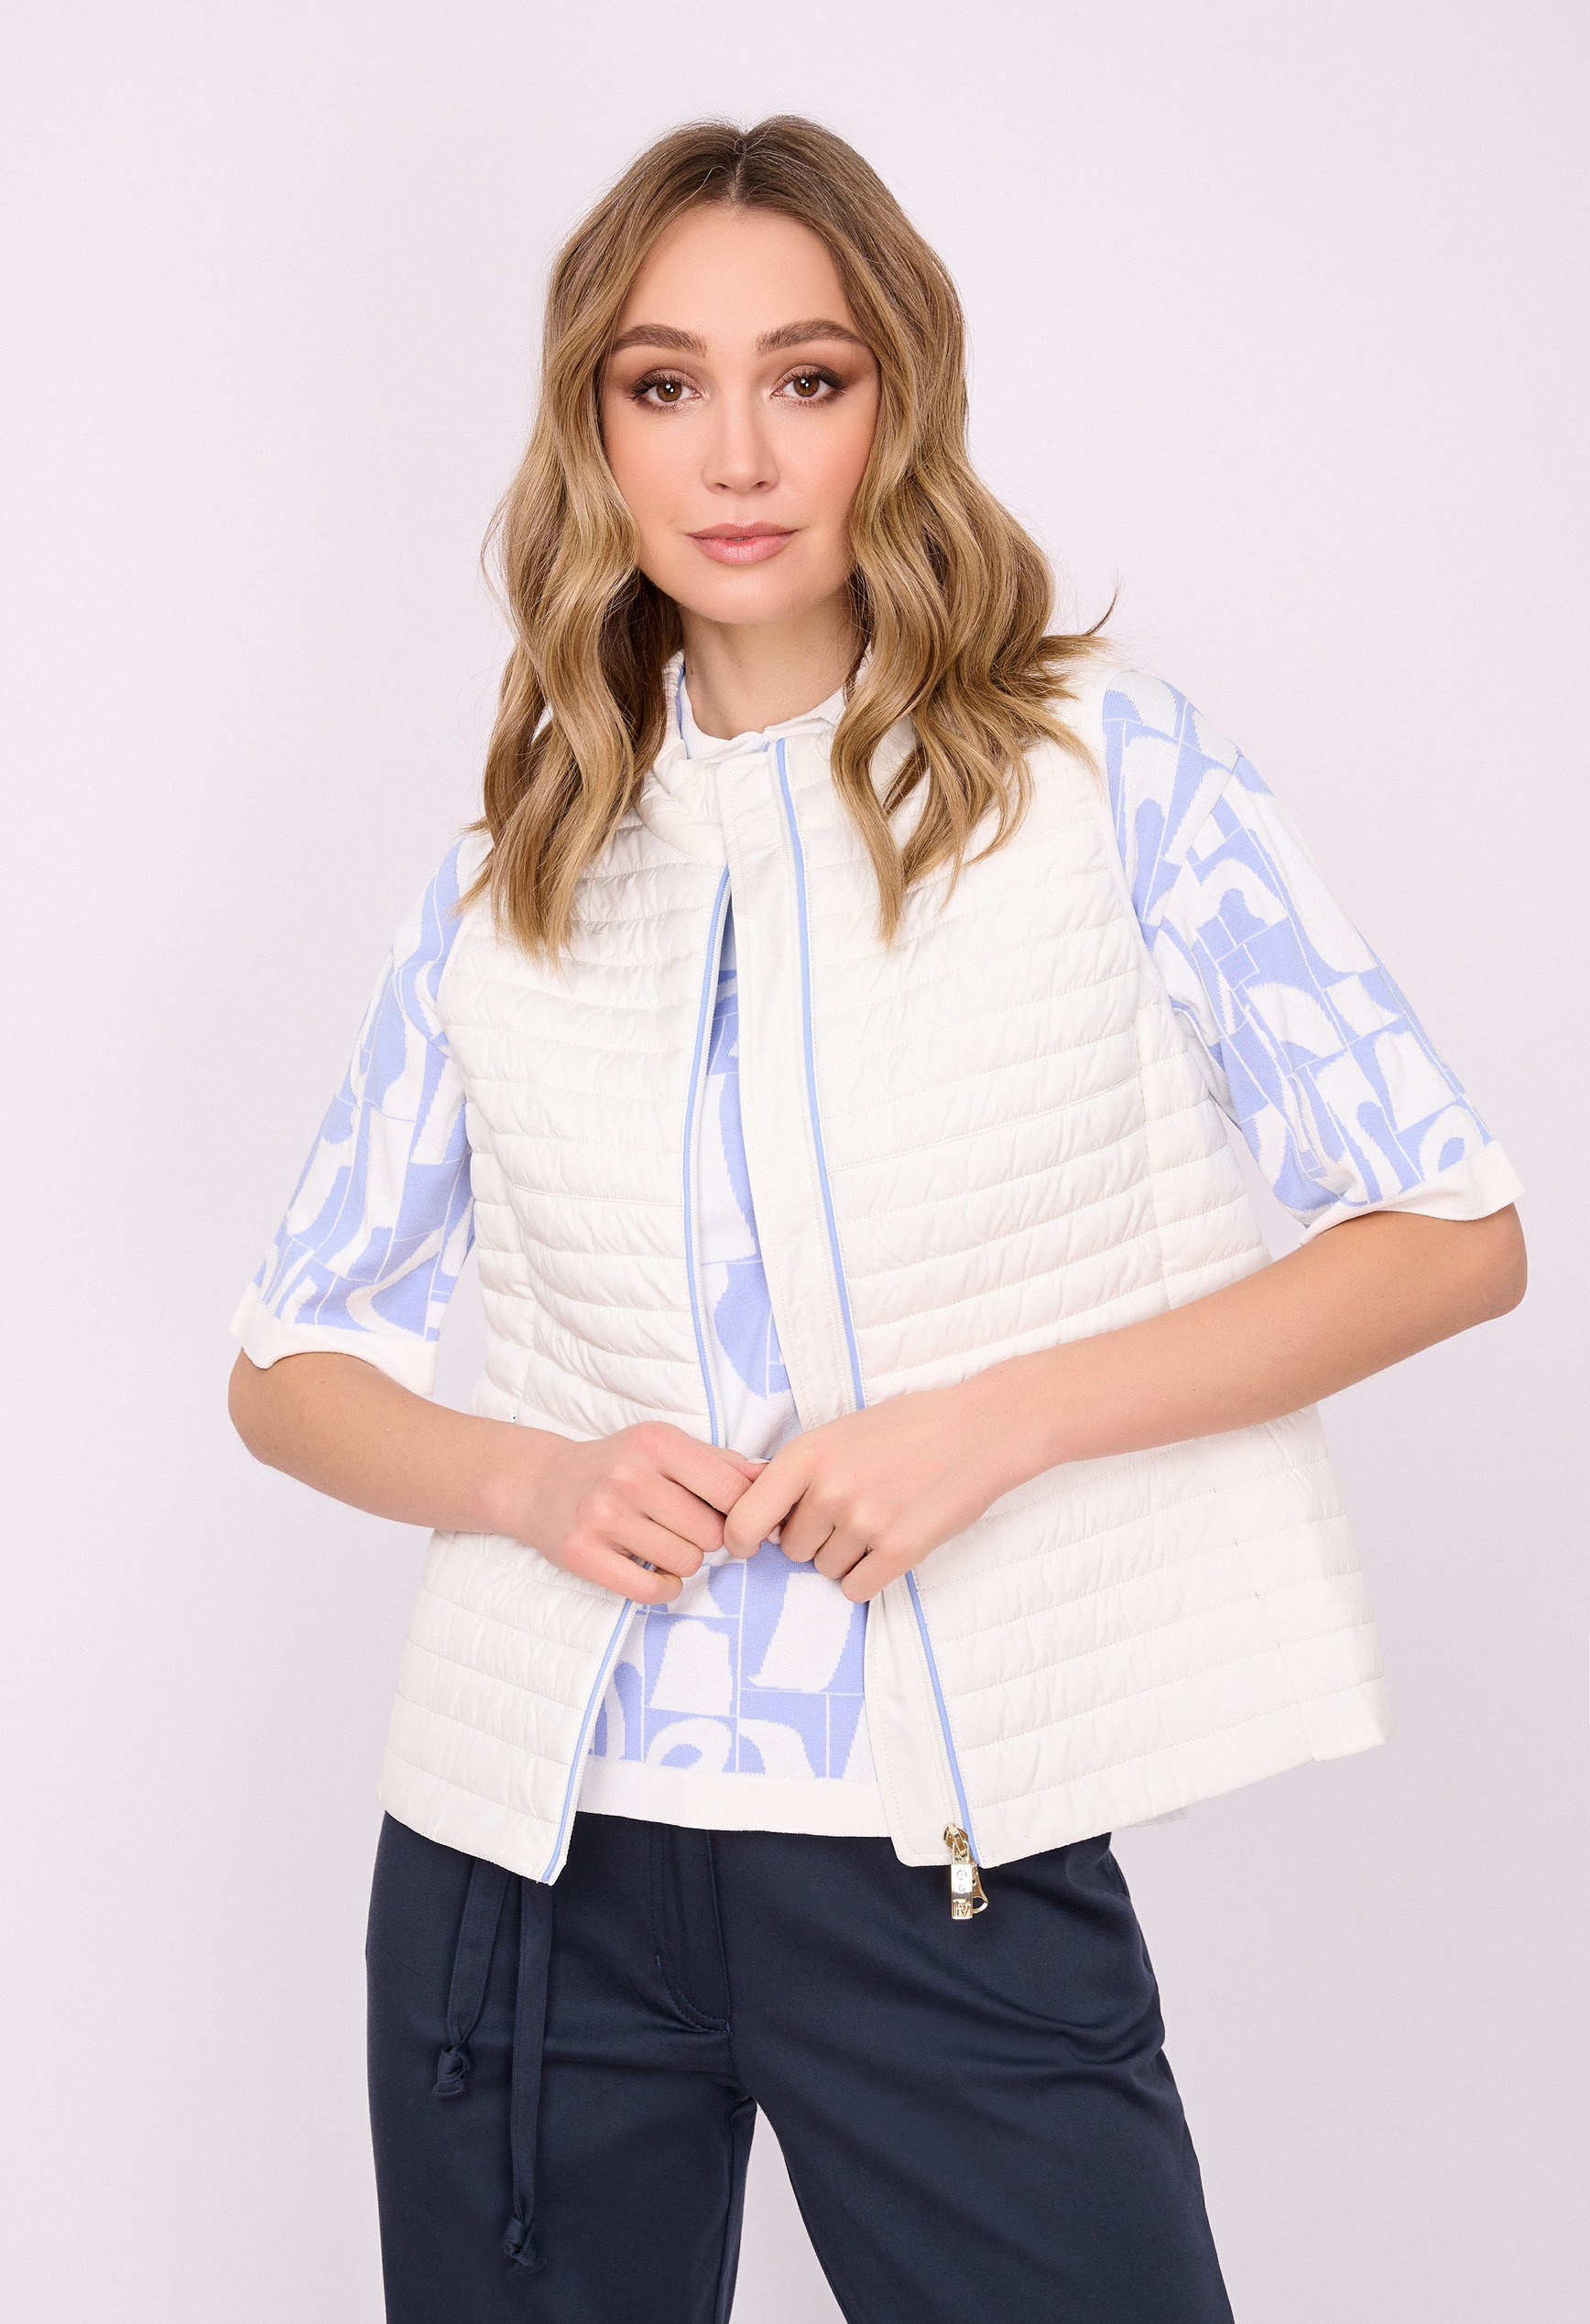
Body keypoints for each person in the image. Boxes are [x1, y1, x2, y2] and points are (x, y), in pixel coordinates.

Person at [226, 115, 1525, 2324]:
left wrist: (991, 1423)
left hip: (934, 1864)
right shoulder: (521, 863)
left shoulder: (1103, 774)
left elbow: (1451, 1224)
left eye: (805, 379)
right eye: (664, 384)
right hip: (523, 1865)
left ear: (893, 405)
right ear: (593, 432)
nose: (735, 453)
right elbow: (287, 1361)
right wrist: (532, 1479)